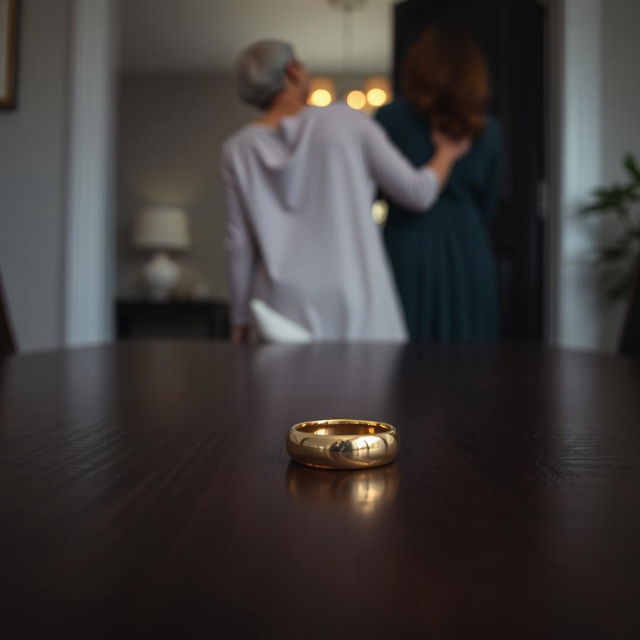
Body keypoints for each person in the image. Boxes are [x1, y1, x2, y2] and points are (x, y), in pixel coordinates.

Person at [222, 40, 469, 344]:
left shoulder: (237, 150)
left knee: (283, 392)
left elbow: (239, 244)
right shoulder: (346, 121)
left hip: (278, 309)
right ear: (294, 71)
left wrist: (240, 319)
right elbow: (416, 193)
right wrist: (446, 154)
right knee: (364, 391)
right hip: (355, 303)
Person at [376, 26, 503, 341]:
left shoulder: (392, 118)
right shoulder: (488, 129)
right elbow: (490, 202)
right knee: (470, 359)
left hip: (406, 242)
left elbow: (375, 190)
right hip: (469, 246)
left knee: (402, 360)